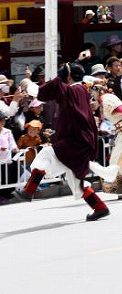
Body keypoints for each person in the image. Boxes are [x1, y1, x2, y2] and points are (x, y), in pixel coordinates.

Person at [16, 63, 114, 221]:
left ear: (68, 76)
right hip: (82, 142)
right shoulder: (81, 89)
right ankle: (100, 208)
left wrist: (28, 83)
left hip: (74, 142)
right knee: (75, 182)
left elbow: (41, 92)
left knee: (47, 154)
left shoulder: (71, 90)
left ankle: (29, 190)